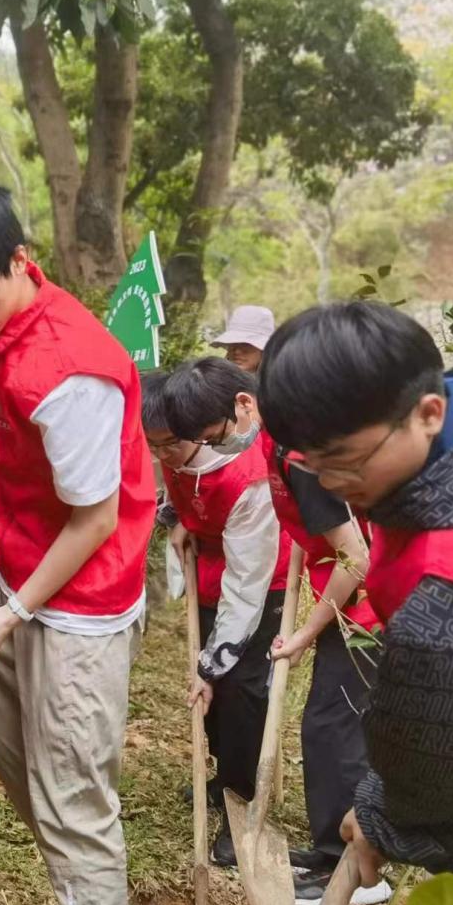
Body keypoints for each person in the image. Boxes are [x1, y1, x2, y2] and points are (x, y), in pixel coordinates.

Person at [0, 177, 154, 905]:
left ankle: (91, 896)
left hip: (83, 597)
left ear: (19, 260)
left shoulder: (69, 370)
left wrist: (7, 614)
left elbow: (95, 521)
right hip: (25, 573)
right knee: (22, 772)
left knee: (71, 797)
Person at [257, 301, 453, 897]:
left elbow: (441, 755)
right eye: (314, 466)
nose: (332, 485)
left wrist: (384, 815)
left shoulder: (452, 585)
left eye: (348, 463)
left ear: (429, 412)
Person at [163, 355, 389, 905]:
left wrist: (306, 634)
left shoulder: (296, 456)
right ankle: (328, 849)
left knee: (335, 727)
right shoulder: (271, 444)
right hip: (351, 599)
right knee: (322, 725)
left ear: (244, 404)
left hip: (376, 603)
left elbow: (355, 557)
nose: (215, 447)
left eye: (216, 434)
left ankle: (360, 872)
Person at [144, 370, 289, 866]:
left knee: (240, 690)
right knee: (211, 697)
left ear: (198, 431)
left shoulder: (247, 474)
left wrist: (213, 663)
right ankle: (223, 775)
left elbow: (246, 585)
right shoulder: (174, 448)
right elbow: (183, 496)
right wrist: (179, 517)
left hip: (259, 582)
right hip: (209, 571)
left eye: (170, 445)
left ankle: (243, 805)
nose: (162, 456)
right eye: (152, 446)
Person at [211, 305, 274, 374]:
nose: (237, 351)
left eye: (246, 344)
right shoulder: (214, 380)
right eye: (233, 343)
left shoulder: (280, 382)